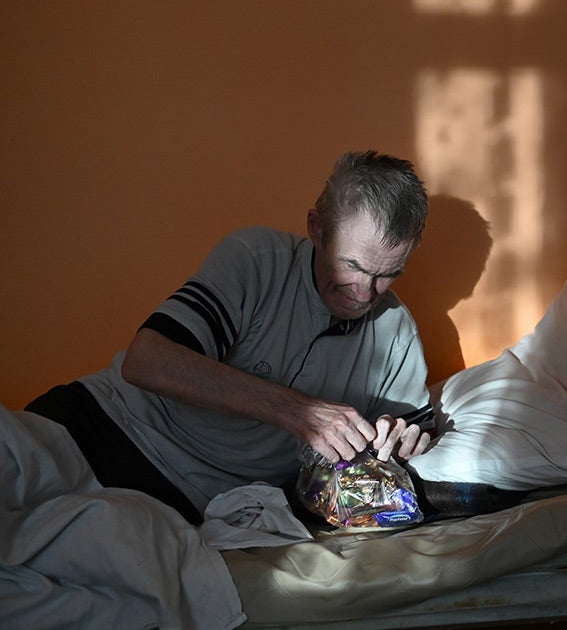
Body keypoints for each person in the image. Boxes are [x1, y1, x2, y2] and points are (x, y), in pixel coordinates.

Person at [25, 151, 436, 525]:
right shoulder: (256, 258)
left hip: (189, 497)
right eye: (351, 265)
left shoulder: (397, 330)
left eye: (387, 274)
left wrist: (402, 440)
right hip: (100, 421)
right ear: (316, 228)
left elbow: (415, 435)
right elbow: (147, 360)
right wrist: (302, 413)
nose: (365, 292)